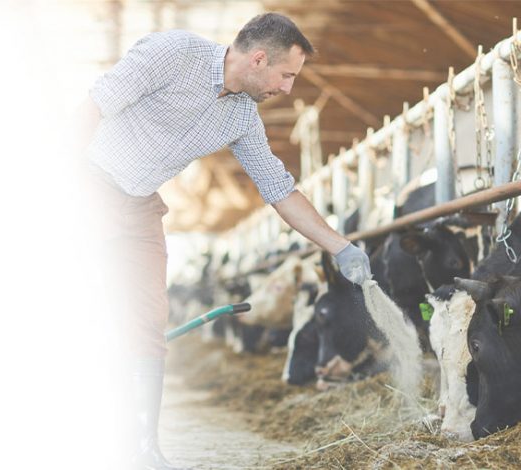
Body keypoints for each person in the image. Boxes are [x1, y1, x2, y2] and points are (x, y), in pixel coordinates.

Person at [76, 13, 372, 470]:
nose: (287, 89)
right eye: (287, 75)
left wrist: (340, 246)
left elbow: (280, 191)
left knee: (148, 320)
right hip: (88, 184)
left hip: (140, 206)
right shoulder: (174, 53)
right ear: (259, 59)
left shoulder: (242, 117)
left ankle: (142, 450)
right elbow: (93, 106)